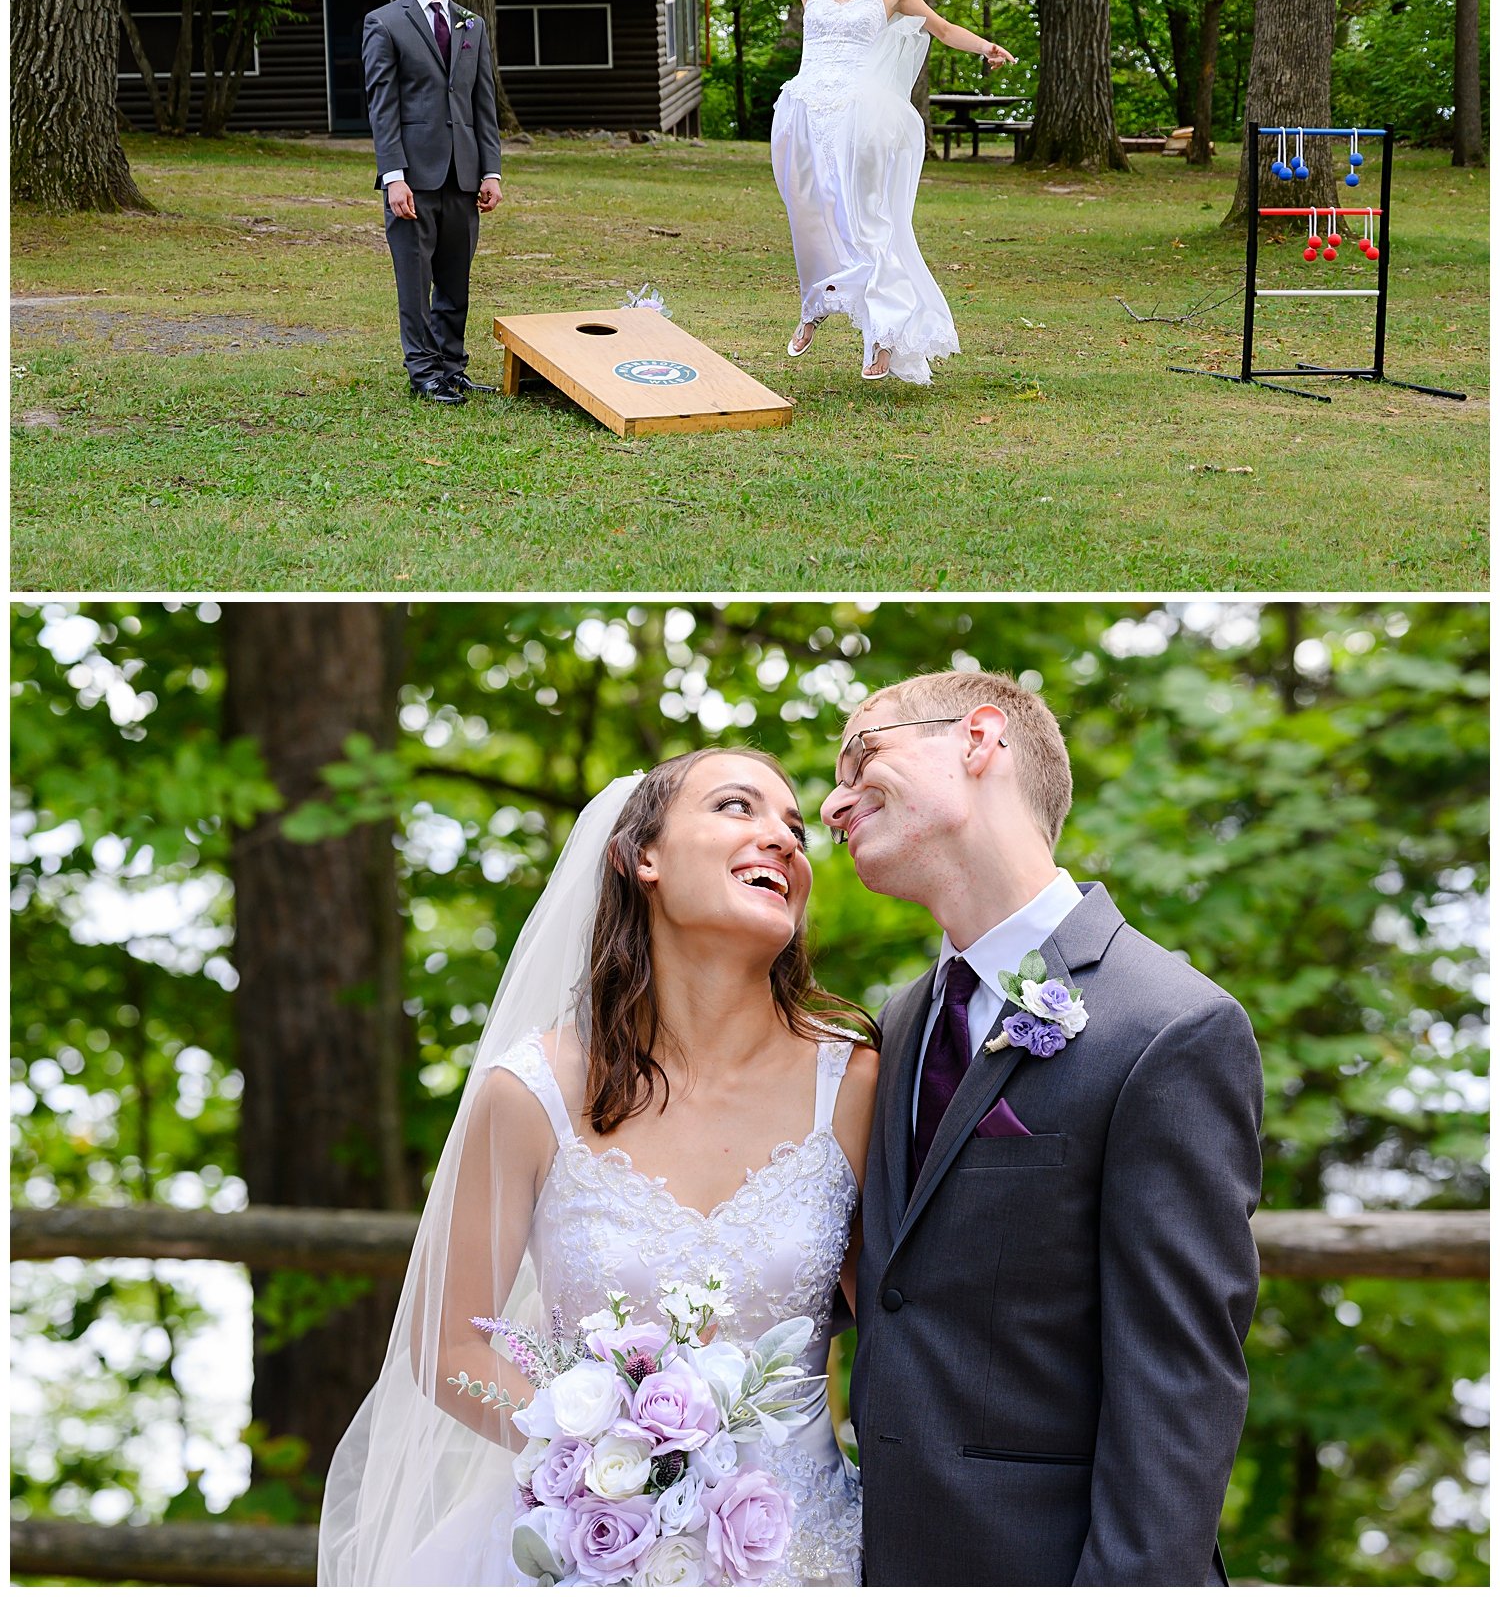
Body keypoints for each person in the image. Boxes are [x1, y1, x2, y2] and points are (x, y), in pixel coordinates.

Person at [319, 750, 878, 1586]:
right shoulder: (529, 1093)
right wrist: (602, 1468)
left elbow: (905, 1331)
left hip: (808, 1555)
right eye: (737, 807)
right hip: (585, 1552)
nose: (783, 840)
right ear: (639, 856)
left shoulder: (856, 1082)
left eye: (795, 831)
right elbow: (449, 1350)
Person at [820, 669, 1264, 1587]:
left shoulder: (1169, 1025)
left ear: (981, 740)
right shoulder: (893, 1027)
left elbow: (1175, 1389)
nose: (830, 802)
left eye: (863, 753)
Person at [632, 0, 1015, 383]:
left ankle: (884, 333)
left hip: (859, 117)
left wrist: (985, 46)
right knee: (810, 215)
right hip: (803, 113)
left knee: (864, 219)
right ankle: (815, 303)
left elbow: (940, 28)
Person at [363, 0, 505, 406]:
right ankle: (423, 372)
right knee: (415, 278)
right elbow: (382, 106)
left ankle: (452, 367)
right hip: (413, 178)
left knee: (454, 278)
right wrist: (393, 176)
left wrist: (491, 171)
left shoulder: (472, 24)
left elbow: (482, 104)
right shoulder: (384, 22)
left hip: (464, 175)